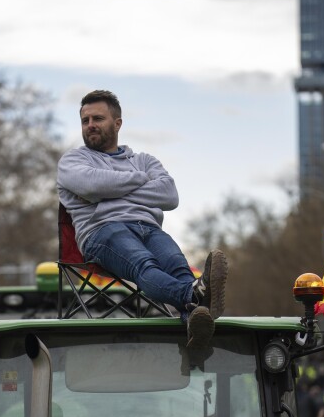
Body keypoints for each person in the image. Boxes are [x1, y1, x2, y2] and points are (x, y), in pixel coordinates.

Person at [57, 89, 228, 350]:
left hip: (147, 228)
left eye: (98, 119)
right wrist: (139, 180)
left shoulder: (144, 160)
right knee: (145, 265)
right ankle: (192, 296)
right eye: (85, 120)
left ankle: (194, 322)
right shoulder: (73, 160)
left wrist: (110, 193)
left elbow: (169, 195)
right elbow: (92, 186)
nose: (90, 125)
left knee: (178, 267)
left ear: (117, 123)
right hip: (102, 233)